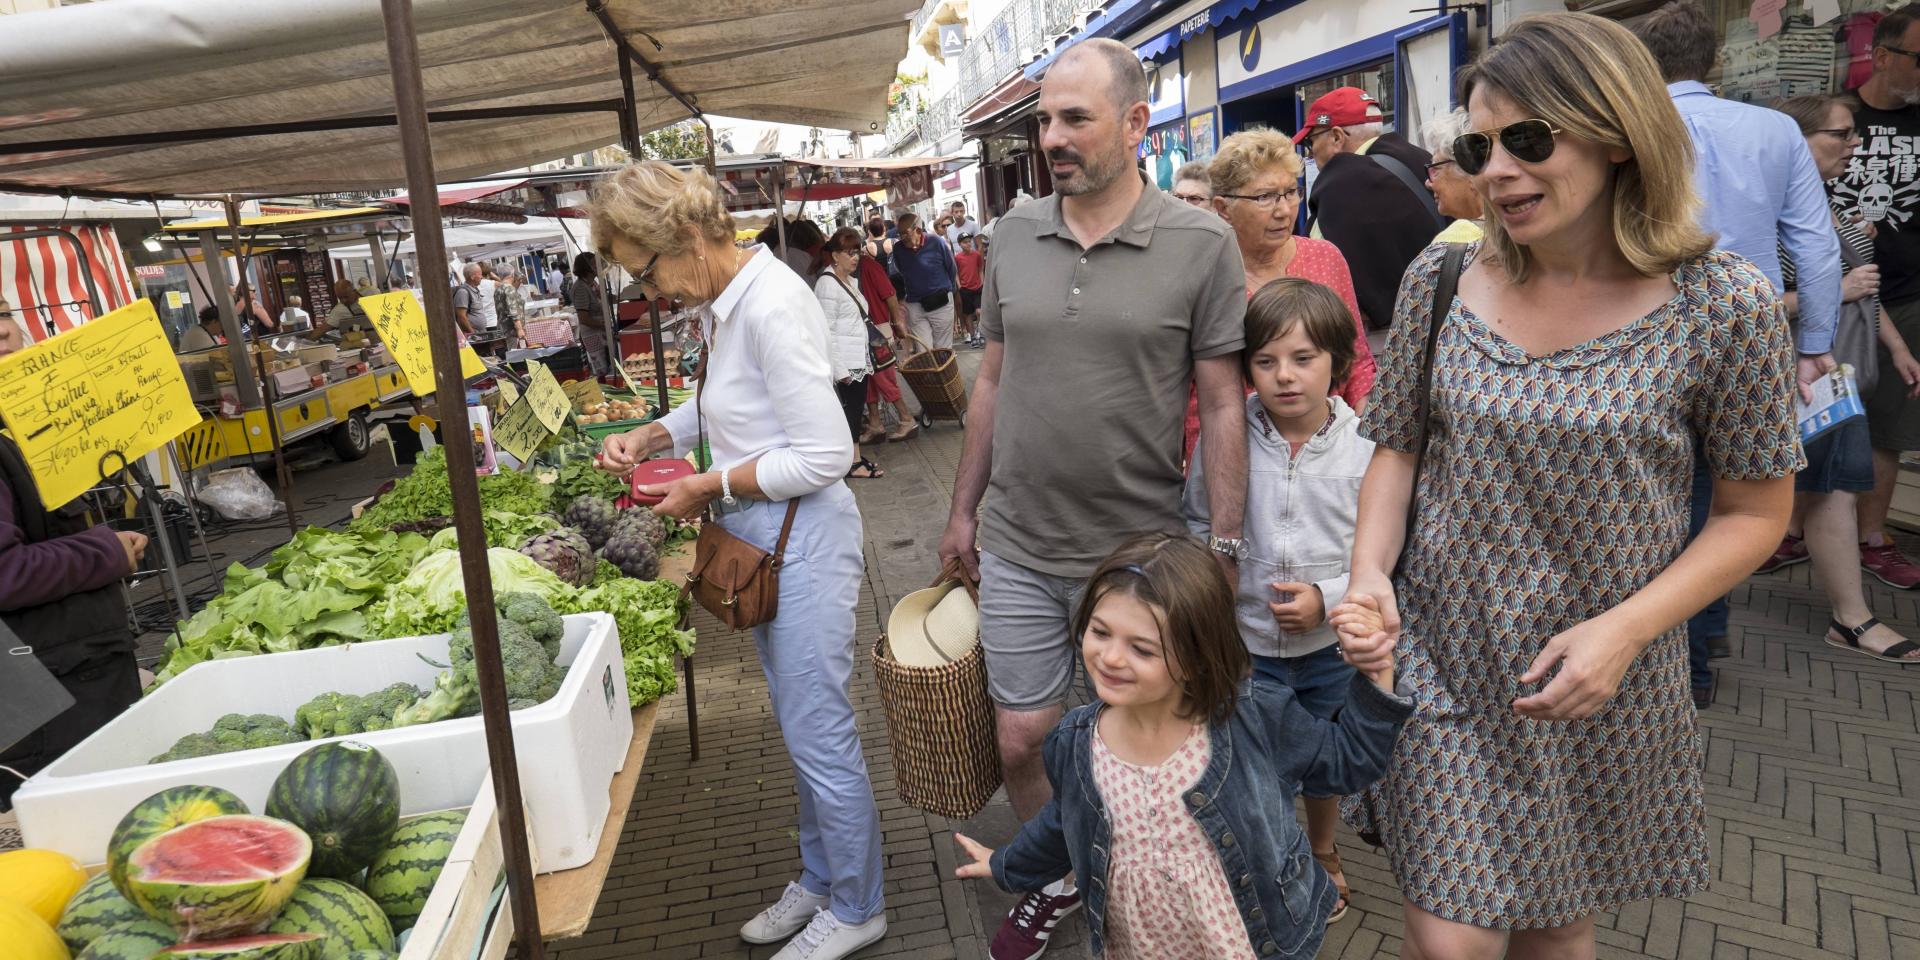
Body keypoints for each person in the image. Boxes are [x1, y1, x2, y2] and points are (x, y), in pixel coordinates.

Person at [1345, 15, 1800, 958]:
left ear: (1617, 131)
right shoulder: (1445, 272)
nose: (1497, 169)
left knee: (1558, 925)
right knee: (1451, 941)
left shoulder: (1724, 303)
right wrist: (1367, 576)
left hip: (1598, 675)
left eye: (1529, 138)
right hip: (1443, 660)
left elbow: (1758, 512)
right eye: (1478, 145)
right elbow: (1395, 446)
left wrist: (1624, 633)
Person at [935, 38, 1250, 960]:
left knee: (1142, 736)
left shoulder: (1201, 243)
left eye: (1075, 117)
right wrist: (962, 510)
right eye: (1044, 120)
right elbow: (990, 379)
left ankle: (1153, 883)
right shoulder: (1011, 234)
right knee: (1024, 734)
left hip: (1138, 555)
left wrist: (1220, 546)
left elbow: (1224, 399)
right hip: (1022, 540)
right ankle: (1068, 869)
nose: (1053, 138)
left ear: (1136, 123)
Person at [593, 160, 883, 960]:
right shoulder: (731, 304)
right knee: (802, 729)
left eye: (645, 270)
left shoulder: (772, 304)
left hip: (805, 540)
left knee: (820, 732)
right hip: (767, 539)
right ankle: (823, 880)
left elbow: (827, 452)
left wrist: (708, 484)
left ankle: (860, 904)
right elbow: (728, 403)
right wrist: (654, 434)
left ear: (684, 236)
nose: (649, 292)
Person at [951, 532, 1407, 960]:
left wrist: (1376, 672)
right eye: (1100, 631)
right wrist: (1007, 864)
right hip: (1139, 942)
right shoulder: (1075, 741)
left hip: (1243, 938)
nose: (1110, 657)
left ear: (1196, 656)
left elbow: (1349, 761)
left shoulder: (1252, 718)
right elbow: (1061, 824)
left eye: (1142, 649)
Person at [1632, 0, 1844, 703]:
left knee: (1660, 491)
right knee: (1736, 495)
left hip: (1647, 330)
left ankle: (1676, 654)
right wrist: (1812, 344)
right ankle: (1702, 636)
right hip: (1746, 334)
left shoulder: (1632, 127)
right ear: (1715, 60)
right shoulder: (1777, 129)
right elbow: (1815, 243)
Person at [1184, 277, 1376, 925]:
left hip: (1329, 651)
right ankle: (1270, 860)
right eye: (1264, 362)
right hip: (1245, 649)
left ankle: (1322, 851)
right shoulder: (1226, 439)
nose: (1284, 377)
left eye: (1303, 359)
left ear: (1338, 364)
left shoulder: (1367, 448)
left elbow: (1387, 556)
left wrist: (1328, 599)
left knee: (1322, 762)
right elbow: (1196, 524)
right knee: (1249, 764)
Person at [1767, 94, 1920, 664]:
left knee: (1831, 487)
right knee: (1811, 487)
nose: (1854, 144)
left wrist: (1899, 349)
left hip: (1835, 371)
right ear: (1796, 141)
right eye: (1841, 133)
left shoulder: (1825, 205)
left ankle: (1850, 617)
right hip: (1792, 370)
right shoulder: (1767, 211)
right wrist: (1833, 290)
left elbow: (1866, 295)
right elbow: (1744, 302)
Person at [0, 314, 148, 810]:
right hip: (42, 694)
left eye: (2, 314)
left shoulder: (16, 424)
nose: (1, 331)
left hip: (76, 673)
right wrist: (105, 552)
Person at [1832, 3, 1920, 590]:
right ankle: (1792, 529)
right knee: (1811, 417)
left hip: (1907, 296)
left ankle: (1872, 538)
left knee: (1889, 425)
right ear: (1882, 55)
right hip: (1826, 294)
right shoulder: (1835, 119)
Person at [1295, 86, 1445, 349]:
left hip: (1386, 341)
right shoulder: (1422, 158)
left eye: (1310, 141)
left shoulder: (1337, 181)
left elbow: (1318, 272)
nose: (1310, 152)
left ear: (1337, 137)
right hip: (1446, 323)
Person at [814, 229, 883, 480]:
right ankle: (852, 463)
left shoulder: (849, 281)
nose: (855, 258)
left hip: (857, 357)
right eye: (849, 253)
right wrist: (840, 370)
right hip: (844, 362)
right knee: (850, 412)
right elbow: (826, 331)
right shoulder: (827, 284)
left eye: (857, 252)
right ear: (835, 255)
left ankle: (854, 458)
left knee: (854, 410)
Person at [849, 229, 922, 443]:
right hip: (865, 329)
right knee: (870, 380)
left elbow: (890, 294)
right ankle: (875, 424)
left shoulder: (868, 266)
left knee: (883, 378)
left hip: (877, 329)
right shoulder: (852, 270)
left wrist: (897, 323)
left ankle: (907, 419)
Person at [890, 212, 959, 353]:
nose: (902, 237)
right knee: (924, 351)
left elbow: (951, 268)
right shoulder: (898, 249)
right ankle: (930, 375)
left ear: (918, 230)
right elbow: (902, 270)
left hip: (941, 302)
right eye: (899, 234)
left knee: (943, 350)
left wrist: (948, 290)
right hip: (915, 304)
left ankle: (944, 375)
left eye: (905, 233)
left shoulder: (936, 242)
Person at [1422, 108, 1486, 243]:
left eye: (1435, 170)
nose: (1428, 182)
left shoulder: (1455, 241)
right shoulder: (1523, 230)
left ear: (1469, 170)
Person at [568, 253, 609, 375]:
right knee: (602, 370)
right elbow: (584, 318)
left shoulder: (593, 284)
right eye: (594, 263)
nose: (598, 266)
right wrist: (604, 326)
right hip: (593, 334)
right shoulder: (580, 287)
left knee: (608, 365)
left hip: (601, 332)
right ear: (587, 267)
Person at [954, 234, 985, 348]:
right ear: (960, 244)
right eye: (964, 242)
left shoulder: (977, 255)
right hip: (965, 289)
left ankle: (980, 332)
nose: (968, 244)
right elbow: (956, 273)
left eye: (969, 241)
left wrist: (982, 283)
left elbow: (981, 269)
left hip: (977, 287)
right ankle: (972, 336)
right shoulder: (957, 258)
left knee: (979, 311)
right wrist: (959, 286)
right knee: (967, 314)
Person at [451, 263, 485, 337]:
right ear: (472, 277)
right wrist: (473, 334)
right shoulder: (463, 292)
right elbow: (461, 316)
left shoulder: (474, 290)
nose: (482, 277)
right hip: (472, 337)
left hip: (479, 335)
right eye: (480, 274)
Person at [496, 268, 529, 341]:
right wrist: (519, 329)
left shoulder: (499, 288)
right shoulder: (509, 288)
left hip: (503, 329)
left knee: (508, 350)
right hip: (511, 330)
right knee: (515, 351)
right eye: (519, 280)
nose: (520, 282)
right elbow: (513, 311)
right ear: (513, 276)